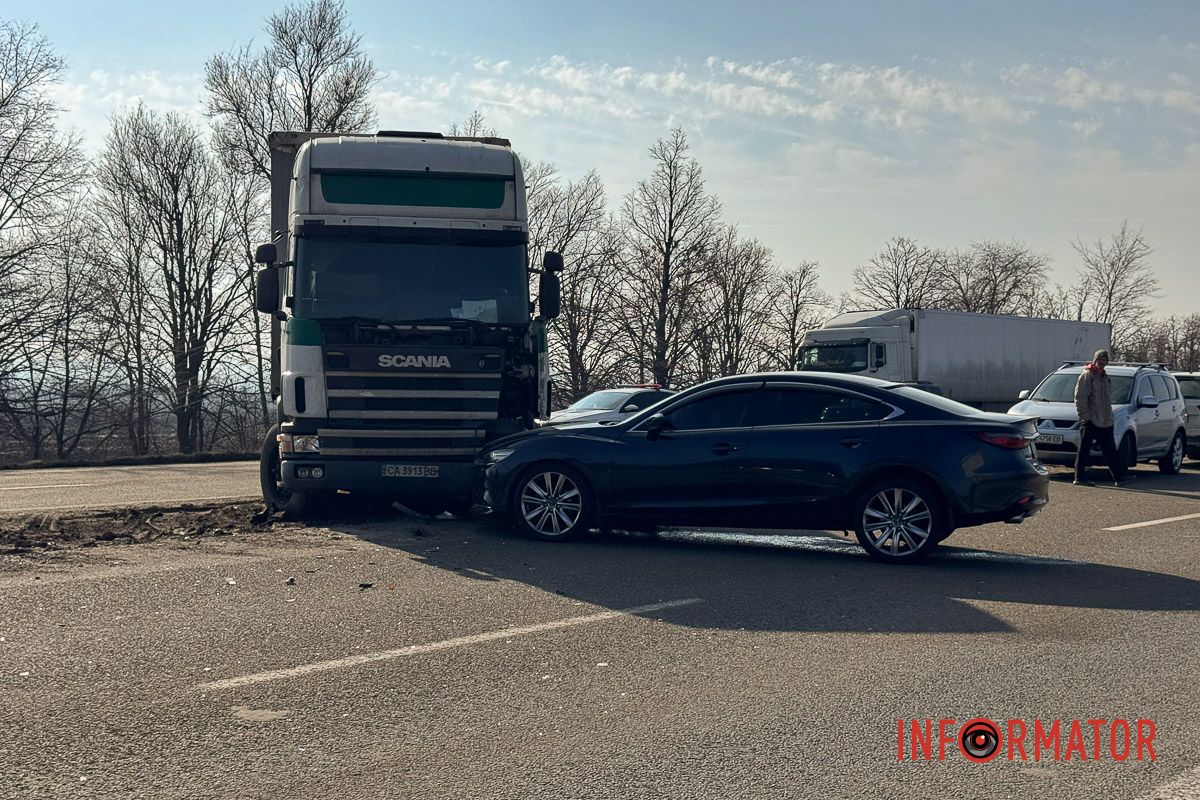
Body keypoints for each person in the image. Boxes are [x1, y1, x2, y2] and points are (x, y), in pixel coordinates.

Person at [1073, 349, 1130, 486]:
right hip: (1091, 419)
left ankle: (1118, 478)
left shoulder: (1104, 377)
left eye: (1105, 360)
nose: (1102, 362)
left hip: (1105, 420)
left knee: (1110, 450)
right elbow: (1080, 398)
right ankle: (1079, 477)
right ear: (1095, 360)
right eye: (1100, 359)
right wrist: (1085, 417)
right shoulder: (1087, 375)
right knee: (1084, 450)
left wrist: (1109, 417)